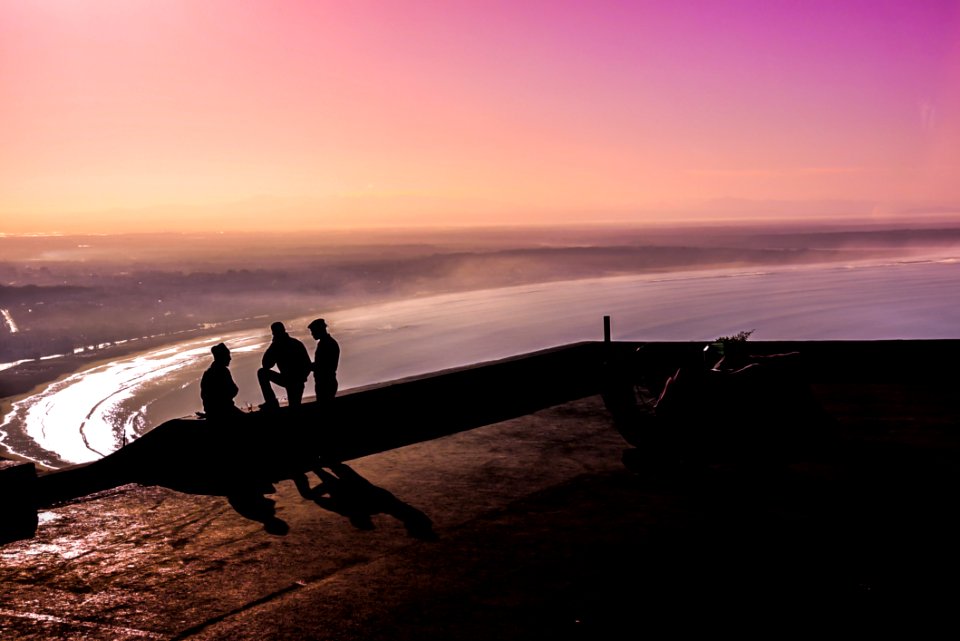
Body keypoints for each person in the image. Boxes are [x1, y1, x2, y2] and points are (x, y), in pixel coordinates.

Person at [257, 321, 312, 411]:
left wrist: (299, 378)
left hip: (295, 381)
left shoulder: (285, 345)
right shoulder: (292, 344)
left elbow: (266, 365)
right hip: (291, 380)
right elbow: (266, 365)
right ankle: (271, 402)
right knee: (262, 373)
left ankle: (272, 402)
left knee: (294, 406)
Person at [200, 342, 245, 420]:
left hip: (212, 412)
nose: (230, 358)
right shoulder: (223, 371)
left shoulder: (207, 373)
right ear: (222, 357)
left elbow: (204, 396)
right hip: (224, 411)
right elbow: (234, 390)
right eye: (228, 355)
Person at [308, 318, 340, 403]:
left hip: (325, 383)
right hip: (326, 382)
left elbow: (321, 366)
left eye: (313, 331)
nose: (312, 334)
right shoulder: (327, 343)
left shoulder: (326, 344)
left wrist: (307, 366)